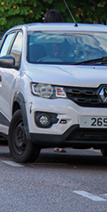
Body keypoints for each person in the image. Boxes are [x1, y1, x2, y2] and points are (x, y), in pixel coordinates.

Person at [42, 10, 67, 152]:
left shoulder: (43, 36)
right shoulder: (65, 36)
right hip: (65, 71)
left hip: (47, 71)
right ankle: (60, 142)